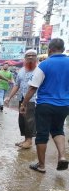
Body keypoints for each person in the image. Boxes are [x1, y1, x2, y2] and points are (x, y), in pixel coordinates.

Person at [21, 38, 69, 173]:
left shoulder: (44, 65)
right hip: (64, 105)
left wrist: (24, 103)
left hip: (45, 105)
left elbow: (32, 88)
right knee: (58, 130)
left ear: (49, 50)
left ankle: (41, 166)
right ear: (63, 49)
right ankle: (62, 156)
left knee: (42, 134)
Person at [4, 49, 38, 149]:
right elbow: (17, 85)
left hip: (33, 99)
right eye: (28, 55)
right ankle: (25, 139)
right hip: (22, 98)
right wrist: (9, 97)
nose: (31, 57)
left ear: (36, 58)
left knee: (30, 120)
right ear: (25, 58)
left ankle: (29, 141)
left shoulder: (39, 70)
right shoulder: (21, 71)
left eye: (33, 55)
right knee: (22, 120)